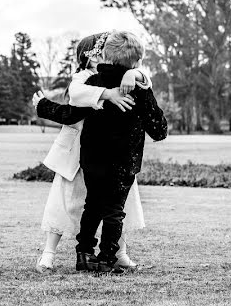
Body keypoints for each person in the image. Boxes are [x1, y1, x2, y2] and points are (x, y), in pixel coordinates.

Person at [37, 30, 167, 274]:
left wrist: (133, 74)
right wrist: (118, 89)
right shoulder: (133, 89)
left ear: (106, 56)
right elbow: (159, 130)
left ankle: (85, 255)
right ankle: (107, 258)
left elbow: (73, 107)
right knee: (113, 211)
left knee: (92, 207)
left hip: (91, 159)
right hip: (122, 161)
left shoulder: (93, 82)